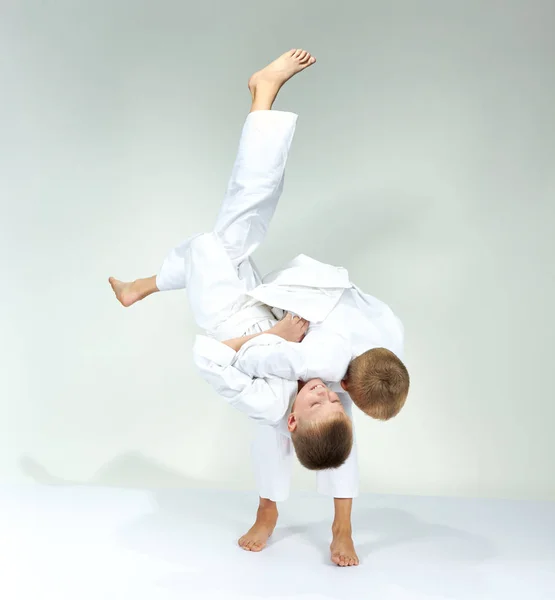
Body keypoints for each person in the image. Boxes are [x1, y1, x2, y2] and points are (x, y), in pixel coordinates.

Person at [109, 50, 361, 567]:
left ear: (293, 419)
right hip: (261, 299)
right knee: (227, 229)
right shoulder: (323, 389)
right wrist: (321, 358)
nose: (322, 393)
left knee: (220, 234)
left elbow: (206, 355)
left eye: (316, 402)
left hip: (227, 314)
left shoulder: (269, 405)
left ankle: (262, 96)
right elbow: (334, 402)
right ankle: (141, 287)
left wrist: (274, 341)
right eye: (328, 399)